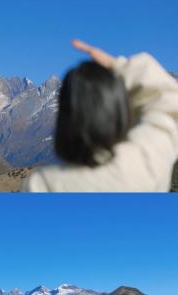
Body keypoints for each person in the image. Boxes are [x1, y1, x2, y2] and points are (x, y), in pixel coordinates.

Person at [23, 39, 178, 191]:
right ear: (119, 112)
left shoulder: (41, 184)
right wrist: (118, 65)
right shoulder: (145, 163)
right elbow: (170, 102)